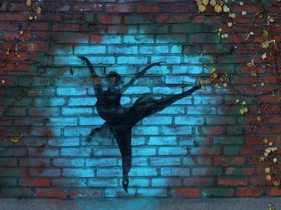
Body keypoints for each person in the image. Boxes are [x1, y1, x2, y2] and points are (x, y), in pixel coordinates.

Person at [79, 56, 201, 192]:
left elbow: (136, 78)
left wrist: (151, 65)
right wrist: (87, 61)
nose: (115, 85)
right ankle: (125, 176)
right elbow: (94, 75)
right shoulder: (101, 92)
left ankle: (188, 91)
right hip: (119, 124)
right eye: (113, 82)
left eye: (116, 83)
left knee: (157, 105)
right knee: (126, 153)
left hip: (126, 119)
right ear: (109, 82)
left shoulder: (117, 91)